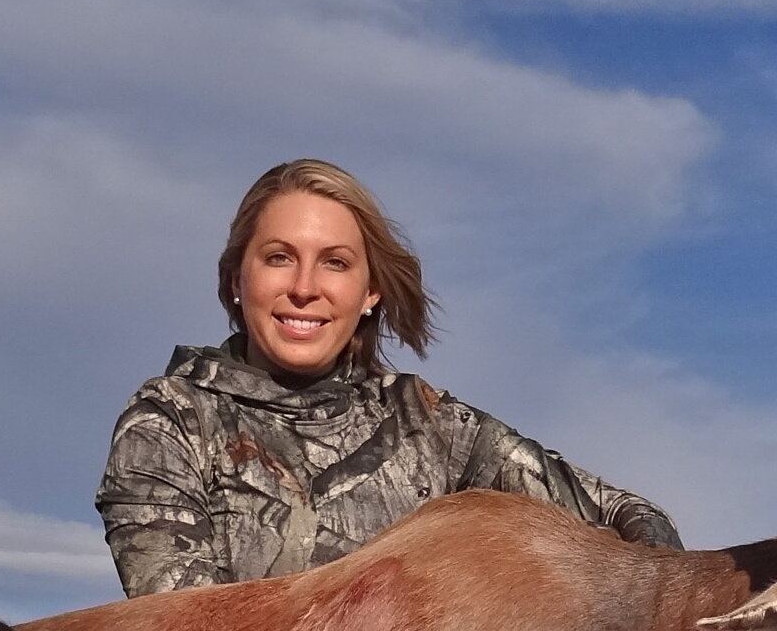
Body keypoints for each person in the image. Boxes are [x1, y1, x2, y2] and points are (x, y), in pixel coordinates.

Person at [97, 159, 682, 596]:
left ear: (369, 292)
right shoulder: (170, 420)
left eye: (336, 262)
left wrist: (661, 613)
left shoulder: (426, 424)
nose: (305, 286)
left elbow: (625, 515)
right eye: (278, 257)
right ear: (235, 280)